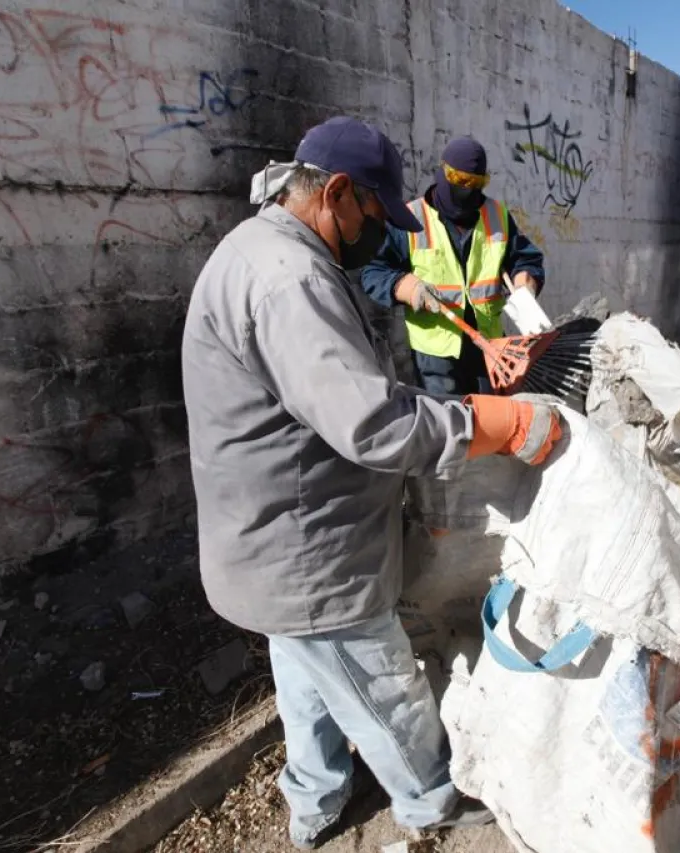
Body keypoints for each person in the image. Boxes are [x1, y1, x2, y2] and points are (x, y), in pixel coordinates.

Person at [180, 117, 563, 850]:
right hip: (306, 553)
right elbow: (377, 425)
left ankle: (315, 799)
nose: (377, 231)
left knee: (305, 675)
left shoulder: (264, 249)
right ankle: (431, 797)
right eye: (373, 215)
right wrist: (500, 423)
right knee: (385, 685)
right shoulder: (289, 280)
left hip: (265, 540)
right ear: (338, 193)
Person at [361, 137, 547, 395]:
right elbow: (374, 271)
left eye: (476, 183)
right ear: (442, 173)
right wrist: (409, 288)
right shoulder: (411, 218)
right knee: (450, 424)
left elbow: (523, 258)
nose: (467, 189)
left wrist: (524, 286)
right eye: (460, 180)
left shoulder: (497, 216)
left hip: (488, 348)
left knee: (492, 422)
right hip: (436, 354)